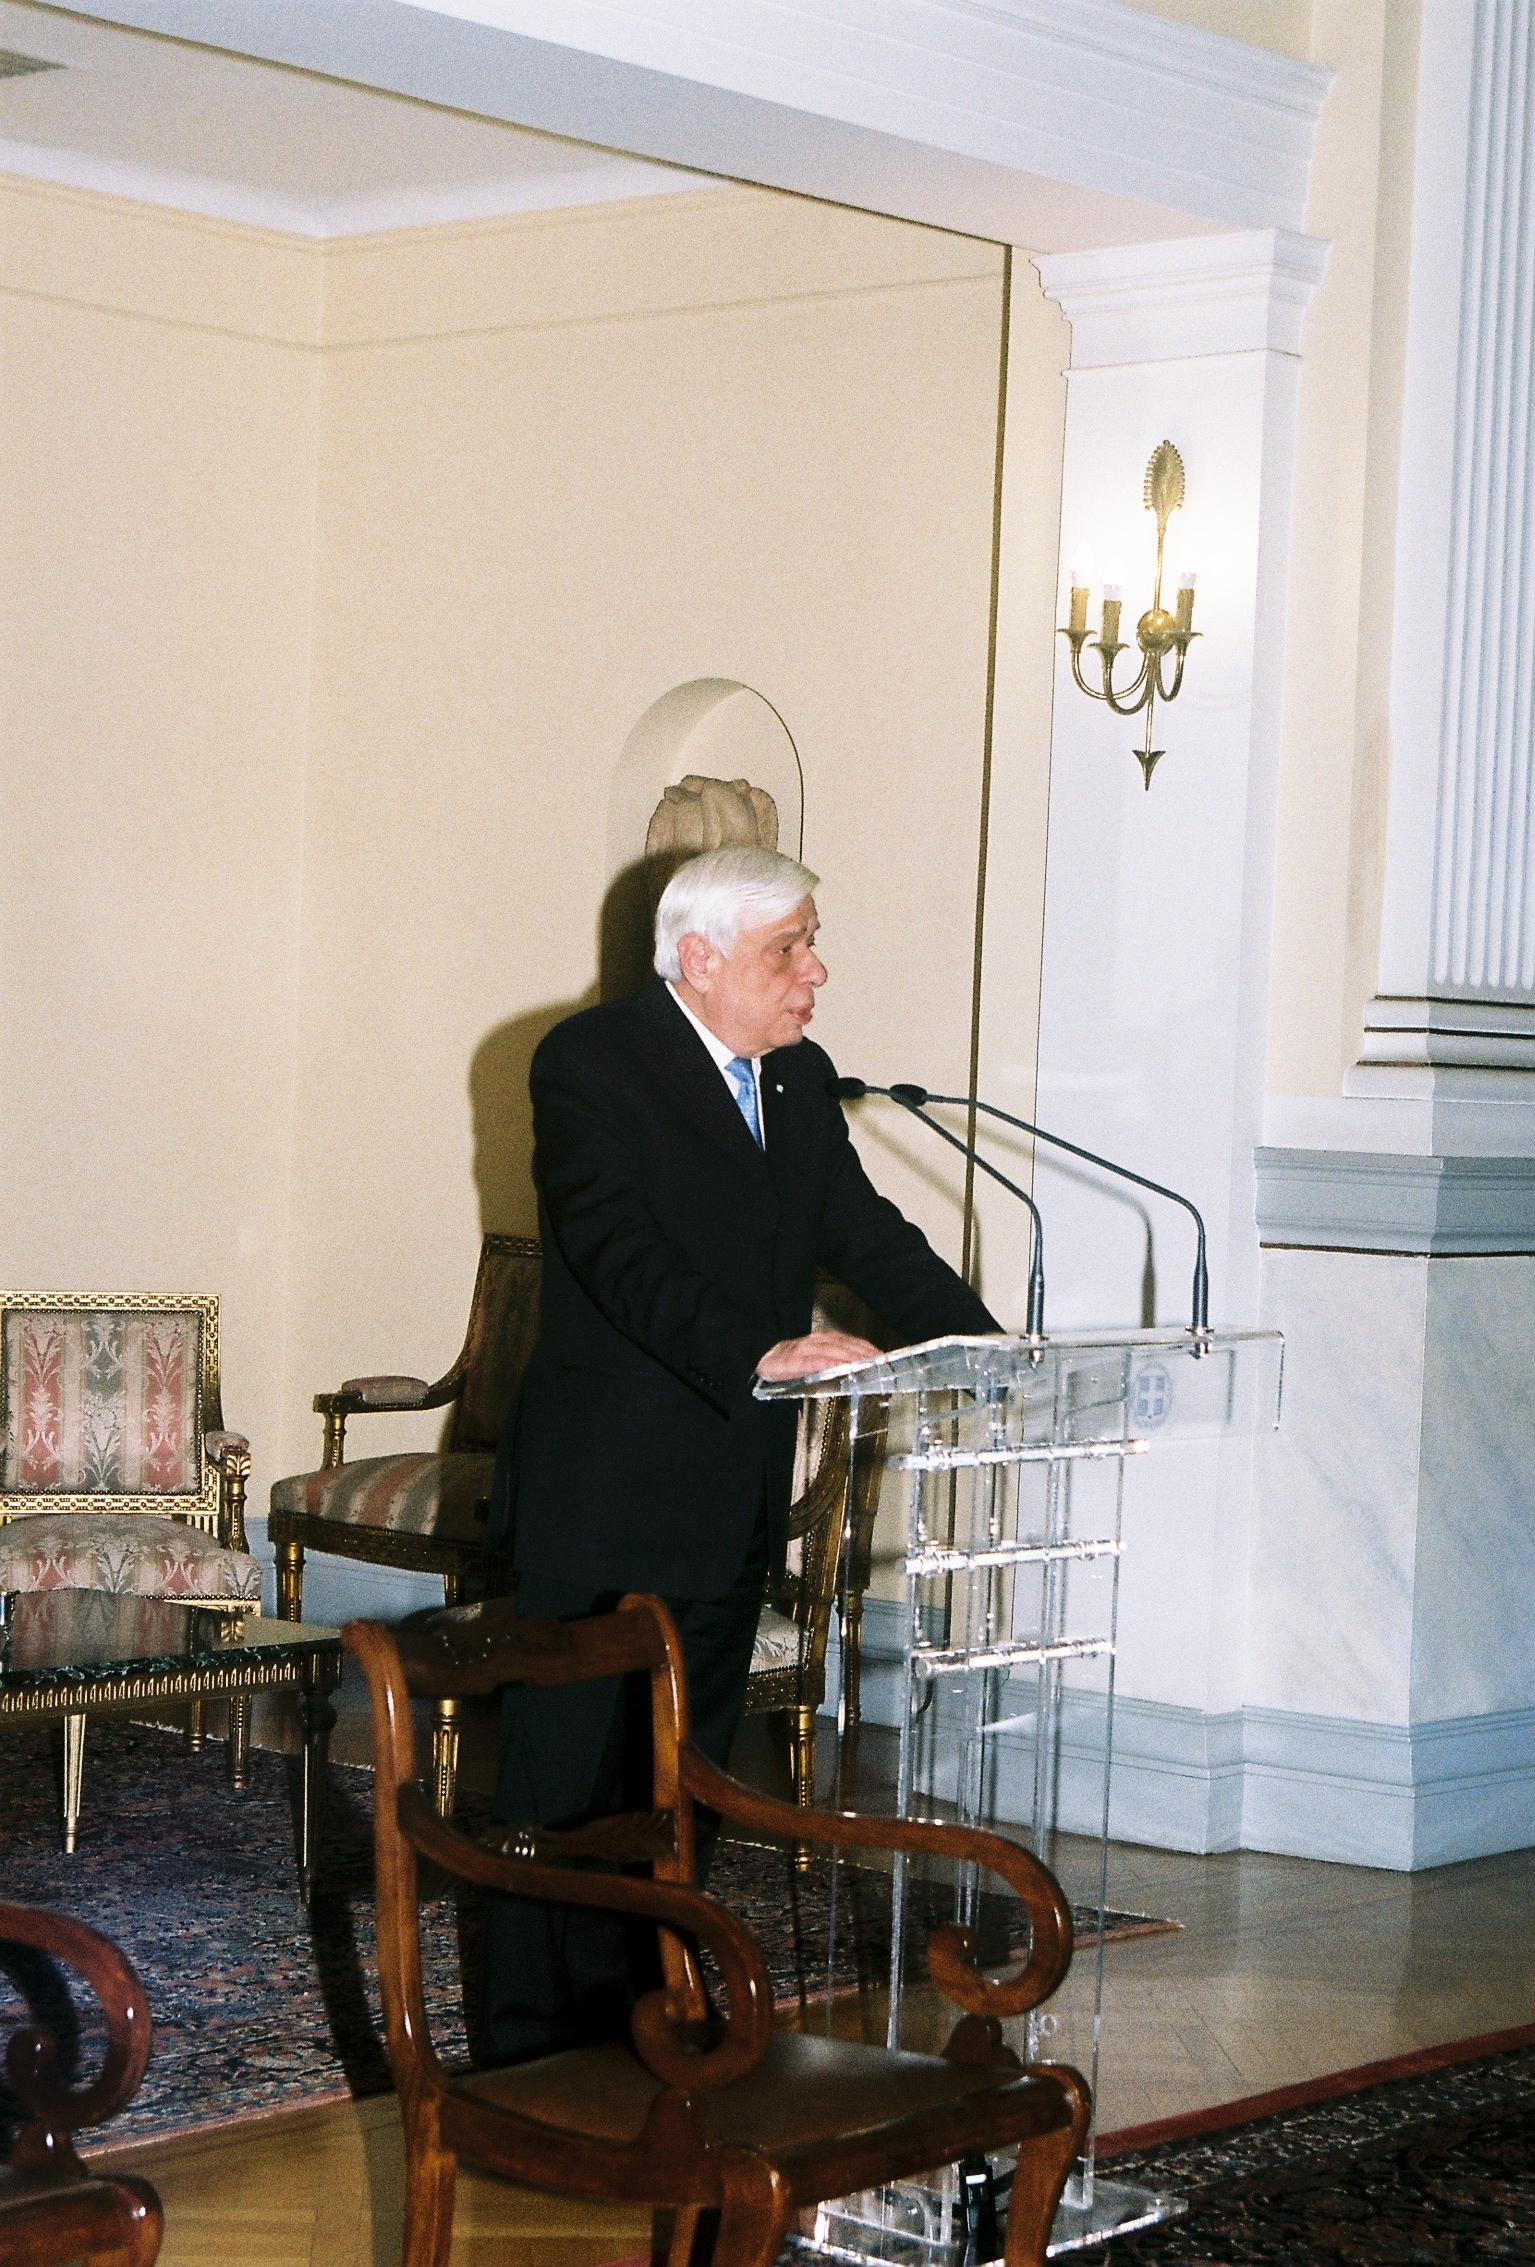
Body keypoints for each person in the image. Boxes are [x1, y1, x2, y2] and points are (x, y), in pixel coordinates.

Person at [481, 845, 998, 2064]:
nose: (814, 972)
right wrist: (761, 1351)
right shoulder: (591, 1062)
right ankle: (518, 2066)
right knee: (556, 1800)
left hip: (724, 1494)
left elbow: (864, 1231)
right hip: (601, 1494)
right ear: (699, 956)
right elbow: (617, 1252)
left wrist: (984, 1344)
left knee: (679, 1790)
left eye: (812, 943)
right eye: (789, 947)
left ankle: (637, 2034)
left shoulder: (799, 1078)